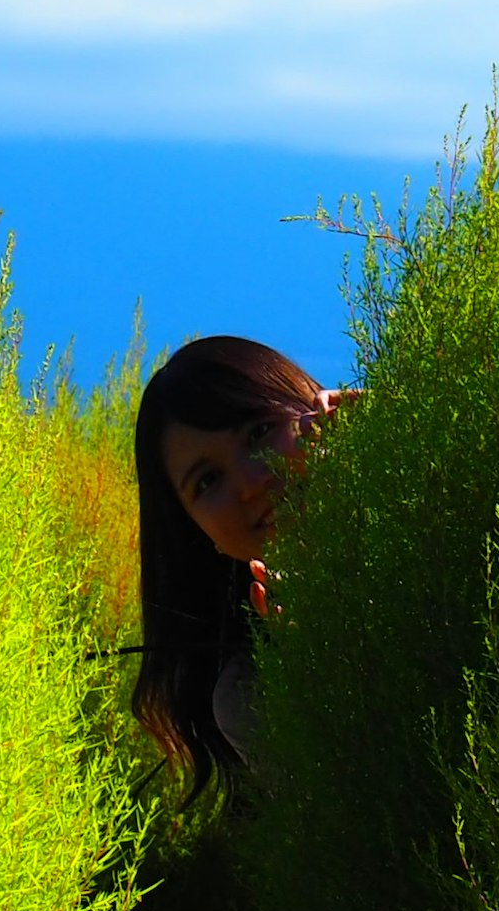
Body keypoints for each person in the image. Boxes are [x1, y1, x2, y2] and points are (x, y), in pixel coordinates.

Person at [130, 334, 350, 798]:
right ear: (195, 533)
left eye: (258, 433)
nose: (252, 483)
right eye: (208, 481)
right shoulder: (250, 693)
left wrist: (404, 420)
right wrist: (314, 659)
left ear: (313, 408)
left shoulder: (431, 486)